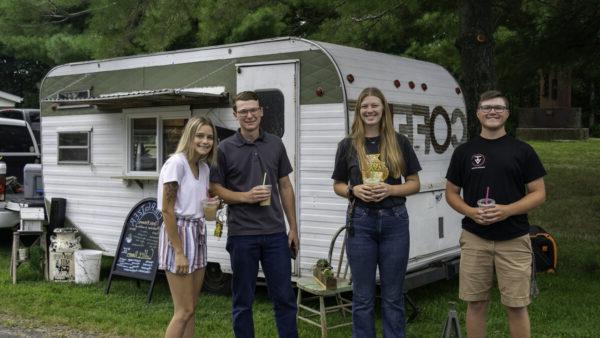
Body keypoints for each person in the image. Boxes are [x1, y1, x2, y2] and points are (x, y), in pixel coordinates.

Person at [445, 90, 546, 338]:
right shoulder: (464, 152)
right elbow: (451, 193)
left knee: (516, 305)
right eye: (487, 107)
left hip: (513, 237)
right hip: (475, 237)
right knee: (476, 303)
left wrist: (507, 210)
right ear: (478, 113)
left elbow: (538, 193)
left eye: (499, 108)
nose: (492, 111)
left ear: (507, 114)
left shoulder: (523, 150)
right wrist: (470, 211)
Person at [332, 87, 421, 338]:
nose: (369, 111)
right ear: (358, 112)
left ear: (383, 110)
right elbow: (337, 184)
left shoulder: (398, 141)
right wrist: (354, 190)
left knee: (393, 296)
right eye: (364, 107)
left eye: (374, 106)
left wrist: (391, 191)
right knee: (362, 296)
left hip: (395, 221)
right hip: (360, 223)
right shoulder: (348, 145)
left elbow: (414, 183)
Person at [209, 91, 299, 338]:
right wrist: (245, 197)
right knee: (243, 301)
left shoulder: (275, 144)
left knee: (285, 298)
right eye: (243, 111)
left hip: (275, 234)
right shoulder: (224, 149)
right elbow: (215, 188)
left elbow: (285, 185)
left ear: (261, 112)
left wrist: (293, 227)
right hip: (242, 236)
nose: (249, 115)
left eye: (253, 110)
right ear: (235, 115)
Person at [157, 116, 219, 338]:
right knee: (183, 311)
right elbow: (167, 209)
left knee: (191, 308)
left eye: (209, 137)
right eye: (200, 135)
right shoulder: (177, 163)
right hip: (179, 235)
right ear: (189, 137)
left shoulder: (202, 167)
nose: (205, 141)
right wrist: (179, 252)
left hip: (197, 233)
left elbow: (195, 201)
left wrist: (212, 205)